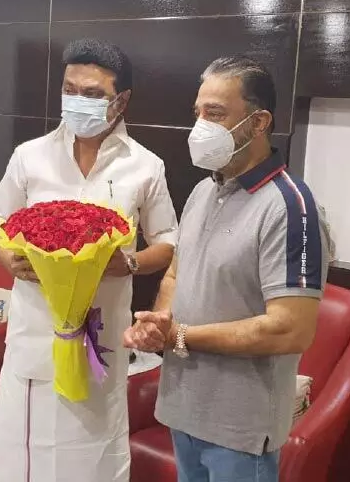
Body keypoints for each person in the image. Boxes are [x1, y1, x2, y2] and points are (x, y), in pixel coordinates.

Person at [124, 56, 330, 482]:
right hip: (184, 407)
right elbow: (177, 273)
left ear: (259, 123)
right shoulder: (203, 191)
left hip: (239, 428)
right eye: (198, 113)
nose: (200, 126)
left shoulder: (290, 207)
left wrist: (180, 336)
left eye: (215, 114)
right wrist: (160, 322)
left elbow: (290, 329)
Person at [0, 39, 178, 482]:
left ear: (121, 100)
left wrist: (127, 264)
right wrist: (8, 258)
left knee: (91, 451)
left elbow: (167, 243)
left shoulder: (146, 166)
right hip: (35, 329)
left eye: (92, 94)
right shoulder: (30, 155)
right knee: (22, 448)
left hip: (101, 338)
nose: (76, 101)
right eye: (69, 90)